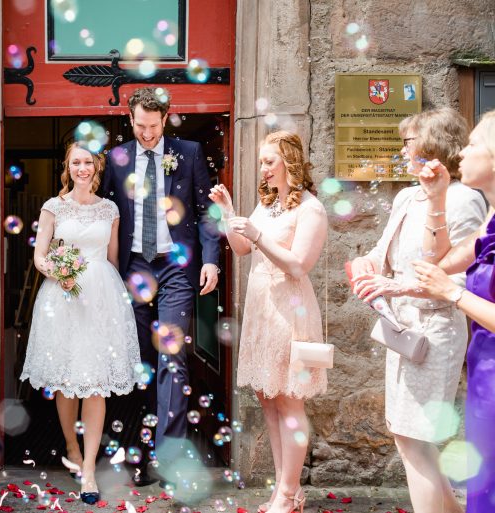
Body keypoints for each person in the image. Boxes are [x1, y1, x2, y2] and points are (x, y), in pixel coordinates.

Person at [351, 108, 485, 513]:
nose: (402, 149)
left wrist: (398, 285)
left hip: (435, 329)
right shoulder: (408, 195)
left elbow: (460, 277)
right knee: (406, 434)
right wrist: (367, 265)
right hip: (403, 328)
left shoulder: (463, 198)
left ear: (431, 145)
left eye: (408, 141)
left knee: (416, 438)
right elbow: (383, 251)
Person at [100, 86, 220, 485]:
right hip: (133, 267)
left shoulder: (188, 153)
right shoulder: (116, 159)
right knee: (138, 363)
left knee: (173, 359)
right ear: (130, 119)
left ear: (165, 119)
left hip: (175, 267)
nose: (147, 134)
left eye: (153, 126)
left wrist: (211, 262)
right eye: (139, 125)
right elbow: (104, 214)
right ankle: (139, 450)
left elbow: (206, 212)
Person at [209, 131, 327, 513]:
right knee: (270, 401)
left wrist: (258, 234)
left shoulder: (310, 209)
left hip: (291, 312)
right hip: (262, 309)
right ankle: (284, 488)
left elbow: (298, 265)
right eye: (261, 161)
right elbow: (242, 249)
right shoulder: (269, 204)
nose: (263, 168)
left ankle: (290, 493)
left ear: (289, 163)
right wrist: (229, 214)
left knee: (290, 403)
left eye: (269, 161)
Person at [21, 142, 141, 505]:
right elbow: (40, 255)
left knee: (96, 383)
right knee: (66, 381)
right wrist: (59, 272)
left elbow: (114, 259)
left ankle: (89, 468)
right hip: (62, 297)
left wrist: (114, 302)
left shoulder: (110, 208)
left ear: (97, 166)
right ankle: (72, 447)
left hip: (101, 297)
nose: (82, 168)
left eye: (88, 162)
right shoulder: (53, 207)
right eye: (76, 162)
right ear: (67, 166)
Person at [408, 109, 495, 513]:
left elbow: (444, 282)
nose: (463, 153)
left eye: (475, 144)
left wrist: (451, 295)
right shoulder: (490, 221)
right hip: (484, 372)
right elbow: (440, 260)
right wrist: (438, 197)